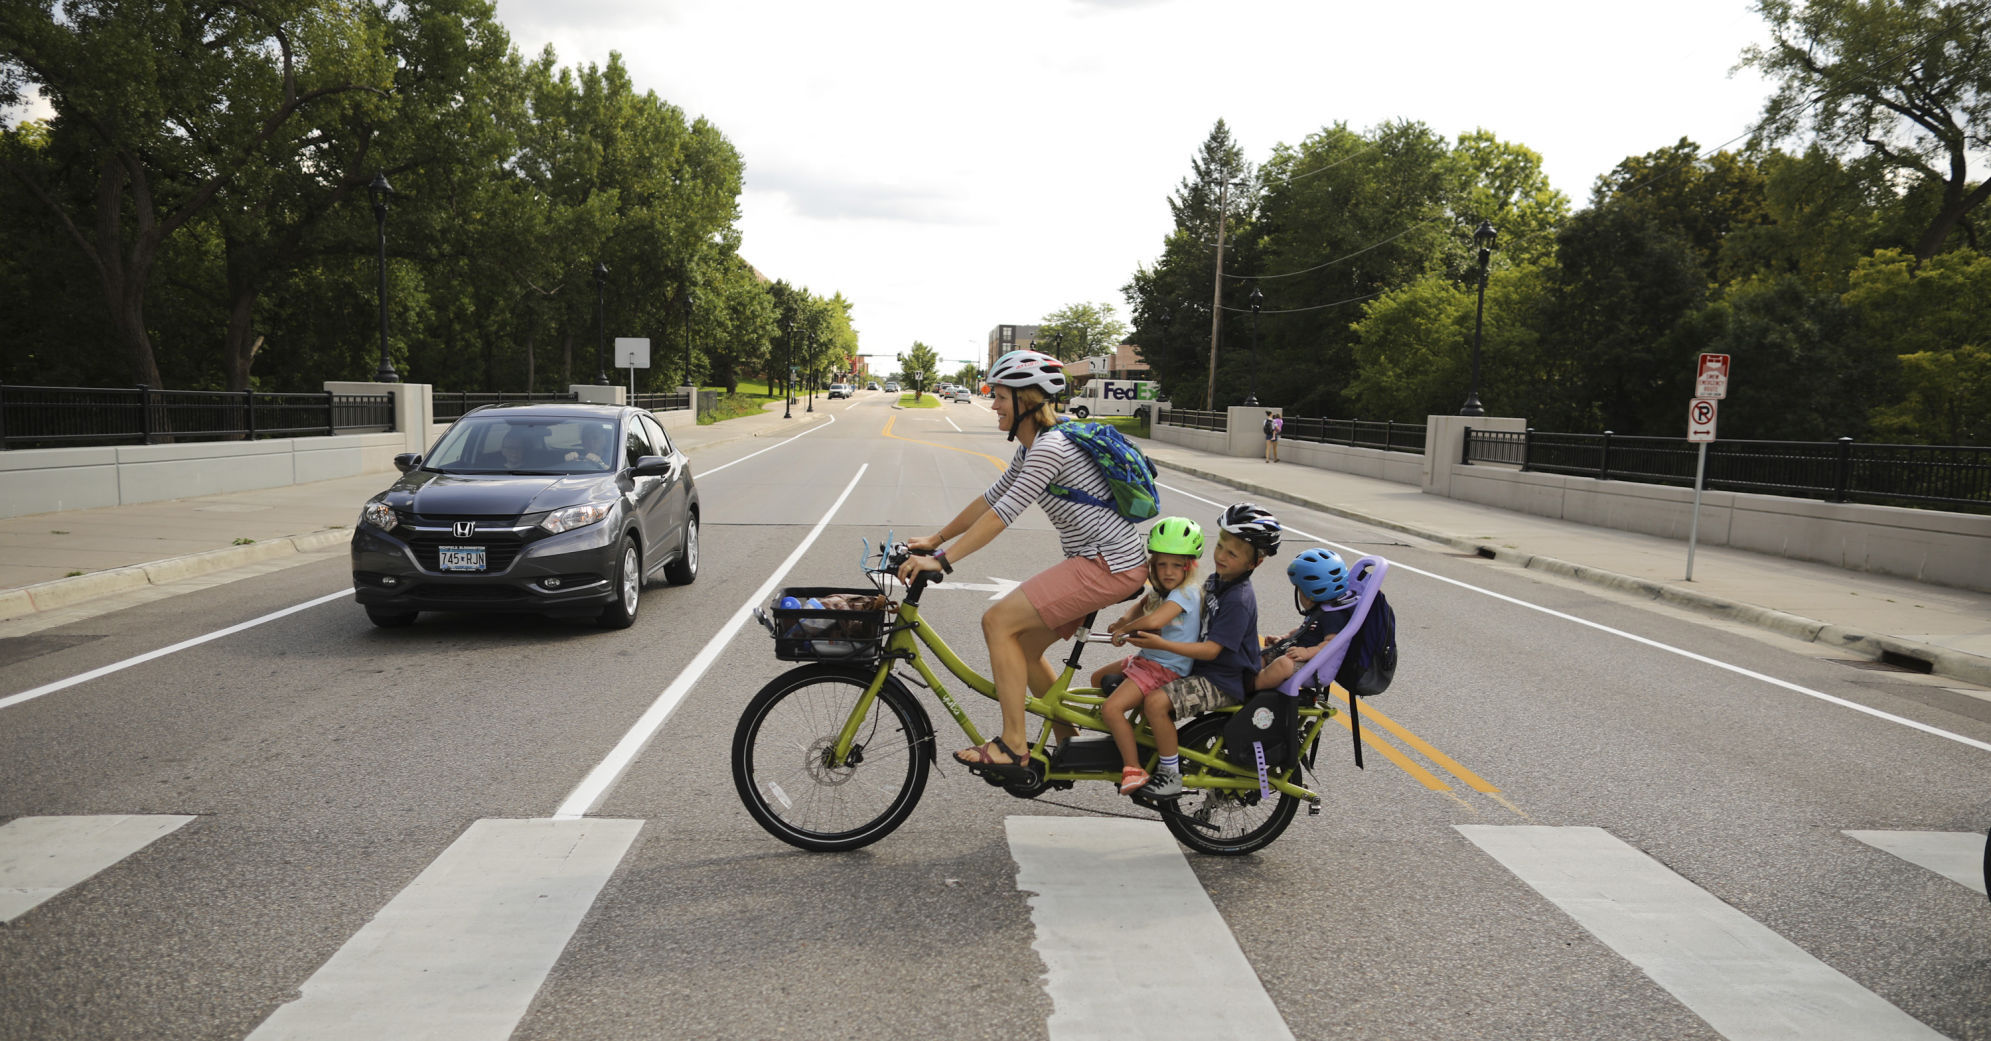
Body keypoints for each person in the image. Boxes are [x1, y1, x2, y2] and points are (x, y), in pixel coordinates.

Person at [896, 349, 1149, 780]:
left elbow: (1003, 515)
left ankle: (1013, 745)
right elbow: (992, 498)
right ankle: (1067, 743)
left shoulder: (1052, 447)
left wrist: (943, 560)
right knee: (1025, 648)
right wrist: (936, 539)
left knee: (997, 622)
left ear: (1027, 400)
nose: (993, 404)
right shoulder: (1036, 444)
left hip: (1108, 565)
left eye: (999, 396)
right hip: (1104, 562)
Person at [1122, 502, 1281, 797]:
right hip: (1203, 669)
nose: (1220, 556)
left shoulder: (1239, 599)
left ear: (1254, 563)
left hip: (1223, 679)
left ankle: (1170, 775)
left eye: (1232, 554)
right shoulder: (1216, 581)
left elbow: (1211, 651)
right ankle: (1151, 745)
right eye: (1220, 546)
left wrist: (1162, 643)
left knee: (1156, 703)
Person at [1088, 517, 1205, 794]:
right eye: (1161, 564)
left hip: (1165, 668)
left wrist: (1125, 631)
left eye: (1177, 565)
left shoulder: (1186, 593)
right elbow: (1143, 605)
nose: (1168, 571)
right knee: (1097, 678)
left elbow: (1154, 621)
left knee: (1112, 709)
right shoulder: (1163, 590)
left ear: (1189, 566)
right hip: (1147, 661)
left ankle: (1133, 768)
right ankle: (1131, 734)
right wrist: (1122, 621)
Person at [1254, 548, 1355, 691]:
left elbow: (1332, 643)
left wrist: (1307, 652)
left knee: (1282, 664)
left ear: (1310, 593)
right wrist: (1284, 638)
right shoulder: (1320, 610)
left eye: (1300, 590)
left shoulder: (1333, 616)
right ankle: (1244, 677)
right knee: (1263, 653)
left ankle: (1251, 687)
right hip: (1296, 654)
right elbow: (1304, 629)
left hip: (1310, 666)